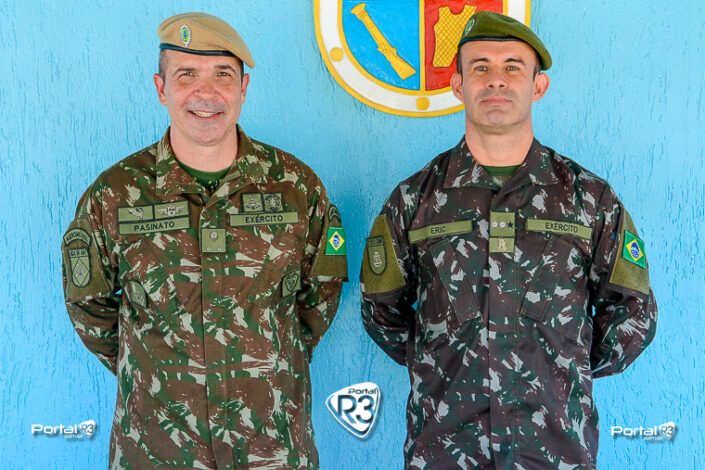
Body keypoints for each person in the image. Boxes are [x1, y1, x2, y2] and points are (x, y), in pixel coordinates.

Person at [360, 11, 657, 469]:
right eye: (480, 67)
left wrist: (564, 365)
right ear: (458, 85)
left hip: (555, 452)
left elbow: (634, 313)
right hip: (445, 452)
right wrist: (441, 362)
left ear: (538, 86)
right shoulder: (414, 200)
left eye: (512, 67)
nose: (495, 80)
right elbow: (381, 312)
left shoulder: (588, 199)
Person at [61, 12, 347, 469]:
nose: (206, 93)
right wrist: (158, 369)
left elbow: (320, 296)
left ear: (243, 88)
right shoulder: (115, 194)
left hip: (272, 449)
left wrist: (268, 361)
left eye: (223, 75)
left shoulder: (296, 187)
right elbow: (89, 307)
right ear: (161, 88)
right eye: (187, 75)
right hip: (156, 451)